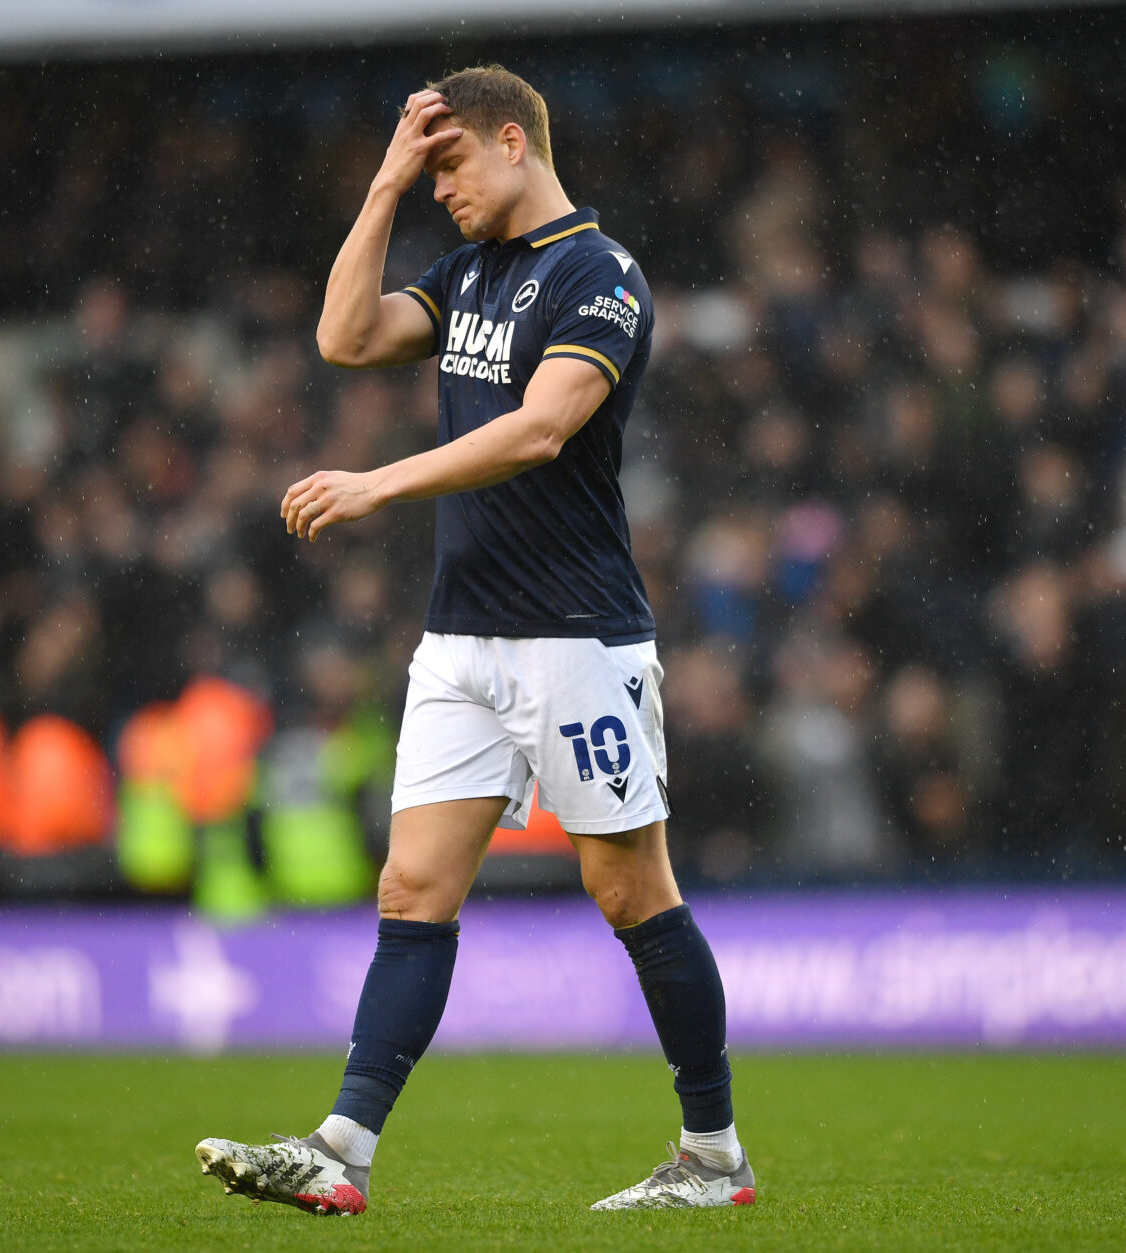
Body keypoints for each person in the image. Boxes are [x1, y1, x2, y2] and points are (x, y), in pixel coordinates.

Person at [194, 65, 752, 1215]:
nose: (439, 189)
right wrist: (386, 180)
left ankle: (712, 1155)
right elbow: (345, 335)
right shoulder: (467, 274)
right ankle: (341, 1148)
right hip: (460, 638)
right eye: (427, 172)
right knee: (411, 886)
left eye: (448, 164)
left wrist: (376, 483)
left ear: (511, 141)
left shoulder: (600, 275)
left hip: (576, 639)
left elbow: (541, 429)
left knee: (628, 890)